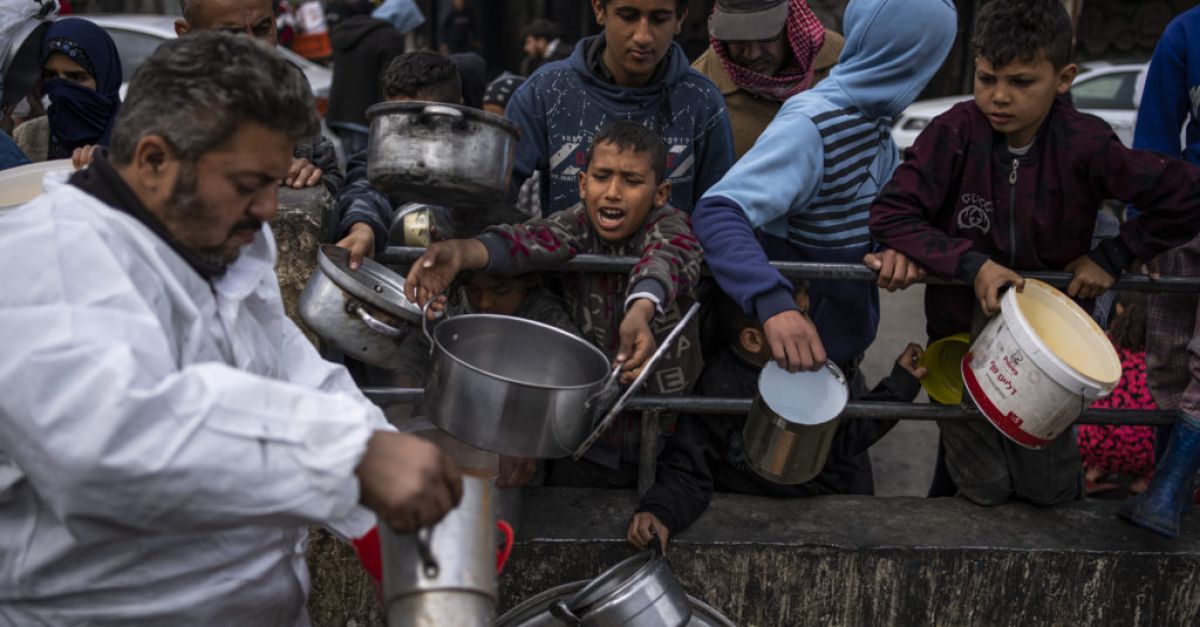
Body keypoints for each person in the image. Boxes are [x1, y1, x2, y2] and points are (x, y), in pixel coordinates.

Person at [0, 32, 462, 625]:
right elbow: (106, 445)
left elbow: (290, 370)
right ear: (153, 159)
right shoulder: (51, 257)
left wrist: (382, 511)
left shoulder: (217, 238)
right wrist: (345, 458)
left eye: (273, 181)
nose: (269, 208)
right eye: (248, 184)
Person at [868, 0, 1200, 508]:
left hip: (1053, 356)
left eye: (1021, 82)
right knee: (976, 488)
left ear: (1063, 77)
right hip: (962, 345)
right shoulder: (953, 132)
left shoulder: (1087, 143)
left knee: (1048, 490)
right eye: (986, 79)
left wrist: (1113, 256)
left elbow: (1185, 197)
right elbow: (892, 212)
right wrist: (969, 263)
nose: (999, 97)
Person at [405, 120, 704, 485]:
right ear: (582, 184)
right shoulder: (575, 225)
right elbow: (527, 240)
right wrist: (461, 252)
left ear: (660, 193)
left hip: (663, 428)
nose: (613, 192)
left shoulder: (671, 225)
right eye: (602, 176)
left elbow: (666, 258)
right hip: (584, 429)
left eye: (632, 181)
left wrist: (640, 310)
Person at [691, 0, 955, 378]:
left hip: (836, 357)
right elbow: (716, 211)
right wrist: (775, 303)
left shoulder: (872, 123)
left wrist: (893, 246)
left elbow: (882, 211)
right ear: (909, 61)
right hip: (784, 363)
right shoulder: (812, 125)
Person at [630, 291, 927, 552]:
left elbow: (846, 437)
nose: (811, 328)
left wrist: (899, 387)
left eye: (807, 314)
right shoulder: (718, 387)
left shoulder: (817, 374)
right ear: (753, 339)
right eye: (798, 317)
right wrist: (661, 511)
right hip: (746, 512)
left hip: (822, 503)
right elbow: (689, 464)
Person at [505, 0, 735, 216]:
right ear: (599, 9)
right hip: (566, 258)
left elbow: (718, 212)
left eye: (659, 18)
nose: (643, 36)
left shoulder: (702, 100)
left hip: (672, 257)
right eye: (628, 16)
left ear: (680, 18)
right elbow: (495, 193)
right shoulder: (546, 91)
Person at [1119, 6, 1200, 539]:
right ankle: (1172, 486)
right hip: (1187, 213)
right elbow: (1154, 140)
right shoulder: (1187, 32)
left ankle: (1168, 491)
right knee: (1167, 356)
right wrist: (1142, 228)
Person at [176, 0, 342, 193]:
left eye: (262, 29)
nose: (254, 49)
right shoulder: (165, 100)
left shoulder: (288, 81)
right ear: (186, 34)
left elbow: (332, 176)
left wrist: (309, 176)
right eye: (230, 35)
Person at [333, 50, 463, 269]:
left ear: (457, 109)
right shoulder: (381, 157)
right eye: (395, 117)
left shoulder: (476, 166)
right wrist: (362, 226)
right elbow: (366, 187)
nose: (406, 131)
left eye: (420, 120)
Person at [692, 0, 845, 160]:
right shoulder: (699, 95)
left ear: (790, 25)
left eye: (766, 37)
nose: (753, 54)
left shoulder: (838, 58)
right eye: (737, 39)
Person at [1077, 292, 1157, 496]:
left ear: (1119, 308)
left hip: (1093, 446)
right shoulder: (1159, 357)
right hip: (1144, 453)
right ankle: (1143, 484)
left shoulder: (1103, 346)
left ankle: (1093, 473)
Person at [13, 17, 121, 164]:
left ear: (106, 79)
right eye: (51, 76)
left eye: (76, 77)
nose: (61, 90)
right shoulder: (28, 137)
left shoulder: (138, 139)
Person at [326, 0, 406, 156]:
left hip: (340, 113)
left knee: (353, 169)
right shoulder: (390, 37)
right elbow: (390, 82)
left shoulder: (341, 32)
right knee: (366, 172)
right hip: (367, 117)